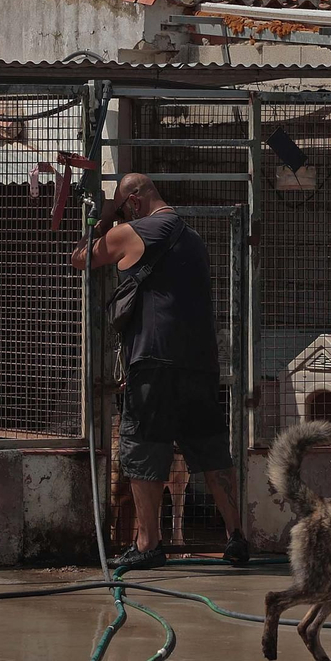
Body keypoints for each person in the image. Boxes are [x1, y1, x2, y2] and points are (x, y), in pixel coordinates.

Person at [70, 173, 248, 571]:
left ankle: (149, 543)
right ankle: (236, 535)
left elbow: (81, 257)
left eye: (122, 206)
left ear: (133, 201)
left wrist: (102, 219)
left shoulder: (134, 232)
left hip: (153, 359)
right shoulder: (194, 238)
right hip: (201, 362)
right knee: (210, 449)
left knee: (143, 450)